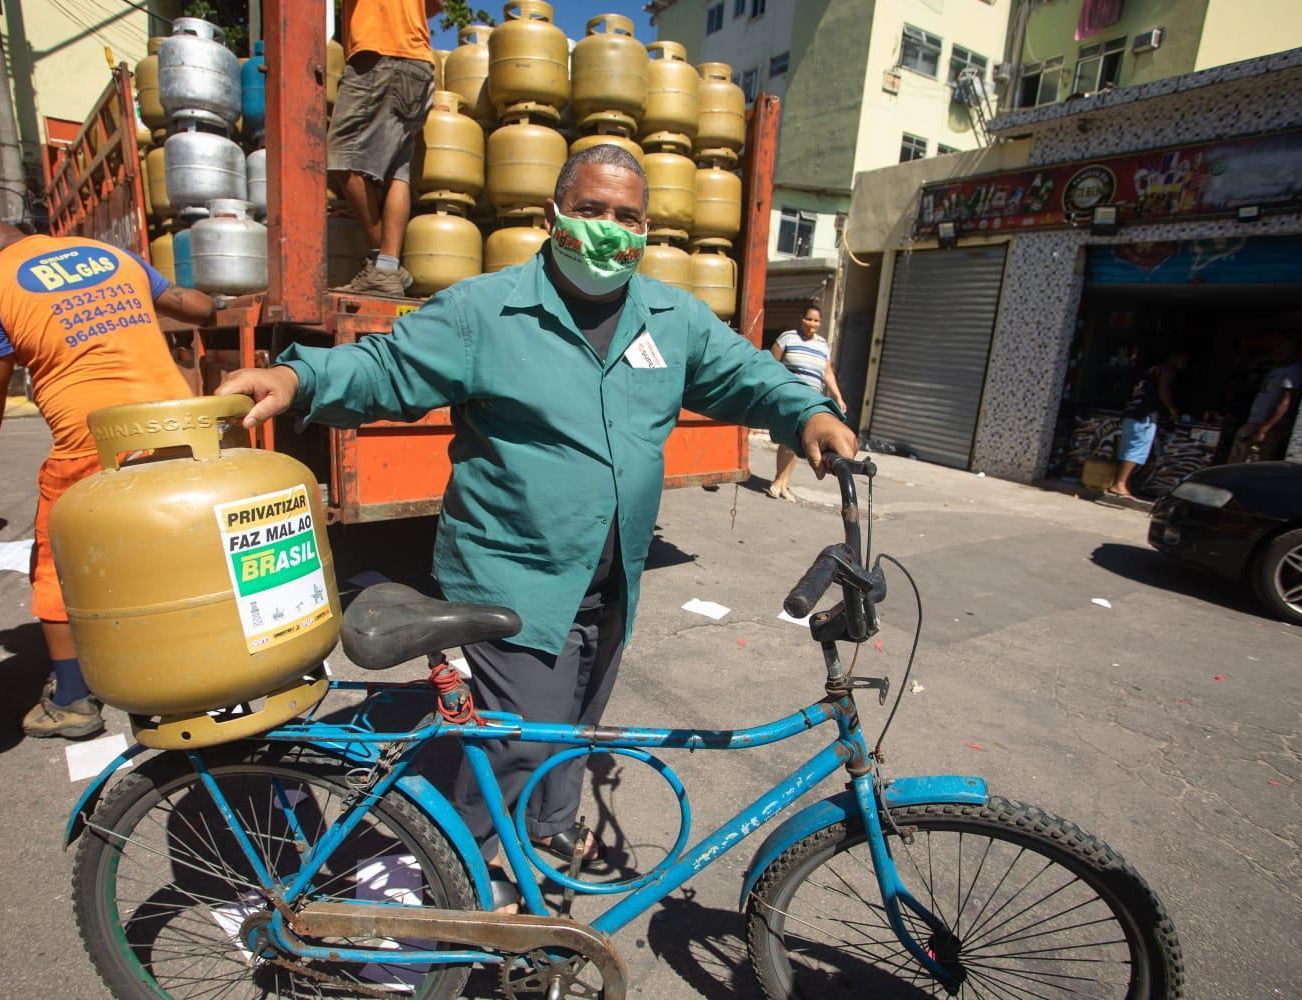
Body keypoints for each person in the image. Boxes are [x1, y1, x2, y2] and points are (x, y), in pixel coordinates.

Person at [214, 146, 857, 906]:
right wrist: (297, 376)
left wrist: (807, 413)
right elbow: (386, 367)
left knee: (571, 732)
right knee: (517, 749)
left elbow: (747, 376)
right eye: (591, 211)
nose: (609, 229)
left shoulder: (671, 317)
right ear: (554, 217)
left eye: (628, 217)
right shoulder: (487, 311)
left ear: (645, 230)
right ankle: (444, 901)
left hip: (610, 580)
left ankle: (543, 842)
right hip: (512, 581)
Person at [0, 217, 216, 739]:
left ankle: (71, 700)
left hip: (95, 441)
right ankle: (203, 659)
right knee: (179, 542)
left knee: (56, 562)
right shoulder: (106, 254)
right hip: (178, 426)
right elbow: (194, 306)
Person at [326, 0, 444, 296]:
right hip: (419, 63)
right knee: (397, 169)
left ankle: (384, 265)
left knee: (341, 157)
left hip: (378, 54)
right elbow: (435, 5)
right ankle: (389, 266)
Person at [768, 303, 847, 501]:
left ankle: (783, 484)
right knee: (788, 441)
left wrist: (838, 397)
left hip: (811, 403)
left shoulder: (822, 345)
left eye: (816, 320)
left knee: (800, 444)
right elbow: (771, 363)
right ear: (801, 319)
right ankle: (778, 482)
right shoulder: (788, 337)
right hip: (790, 397)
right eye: (808, 319)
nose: (812, 323)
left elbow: (827, 373)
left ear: (820, 323)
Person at [1108, 352, 1188, 499]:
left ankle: (1123, 483)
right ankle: (1119, 484)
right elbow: (1164, 391)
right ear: (1176, 358)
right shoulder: (1167, 369)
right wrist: (1172, 410)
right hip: (1143, 415)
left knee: (1129, 450)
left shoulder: (1150, 371)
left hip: (1131, 412)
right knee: (1136, 451)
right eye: (1185, 361)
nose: (1185, 365)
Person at [1228, 342, 1302, 463]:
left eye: (1285, 349)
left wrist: (1265, 428)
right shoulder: (1275, 370)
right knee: (1237, 458)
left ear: (1295, 353)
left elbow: (1286, 402)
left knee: (1254, 460)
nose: (1279, 352)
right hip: (1254, 422)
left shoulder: (1292, 372)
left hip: (1268, 426)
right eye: (1278, 349)